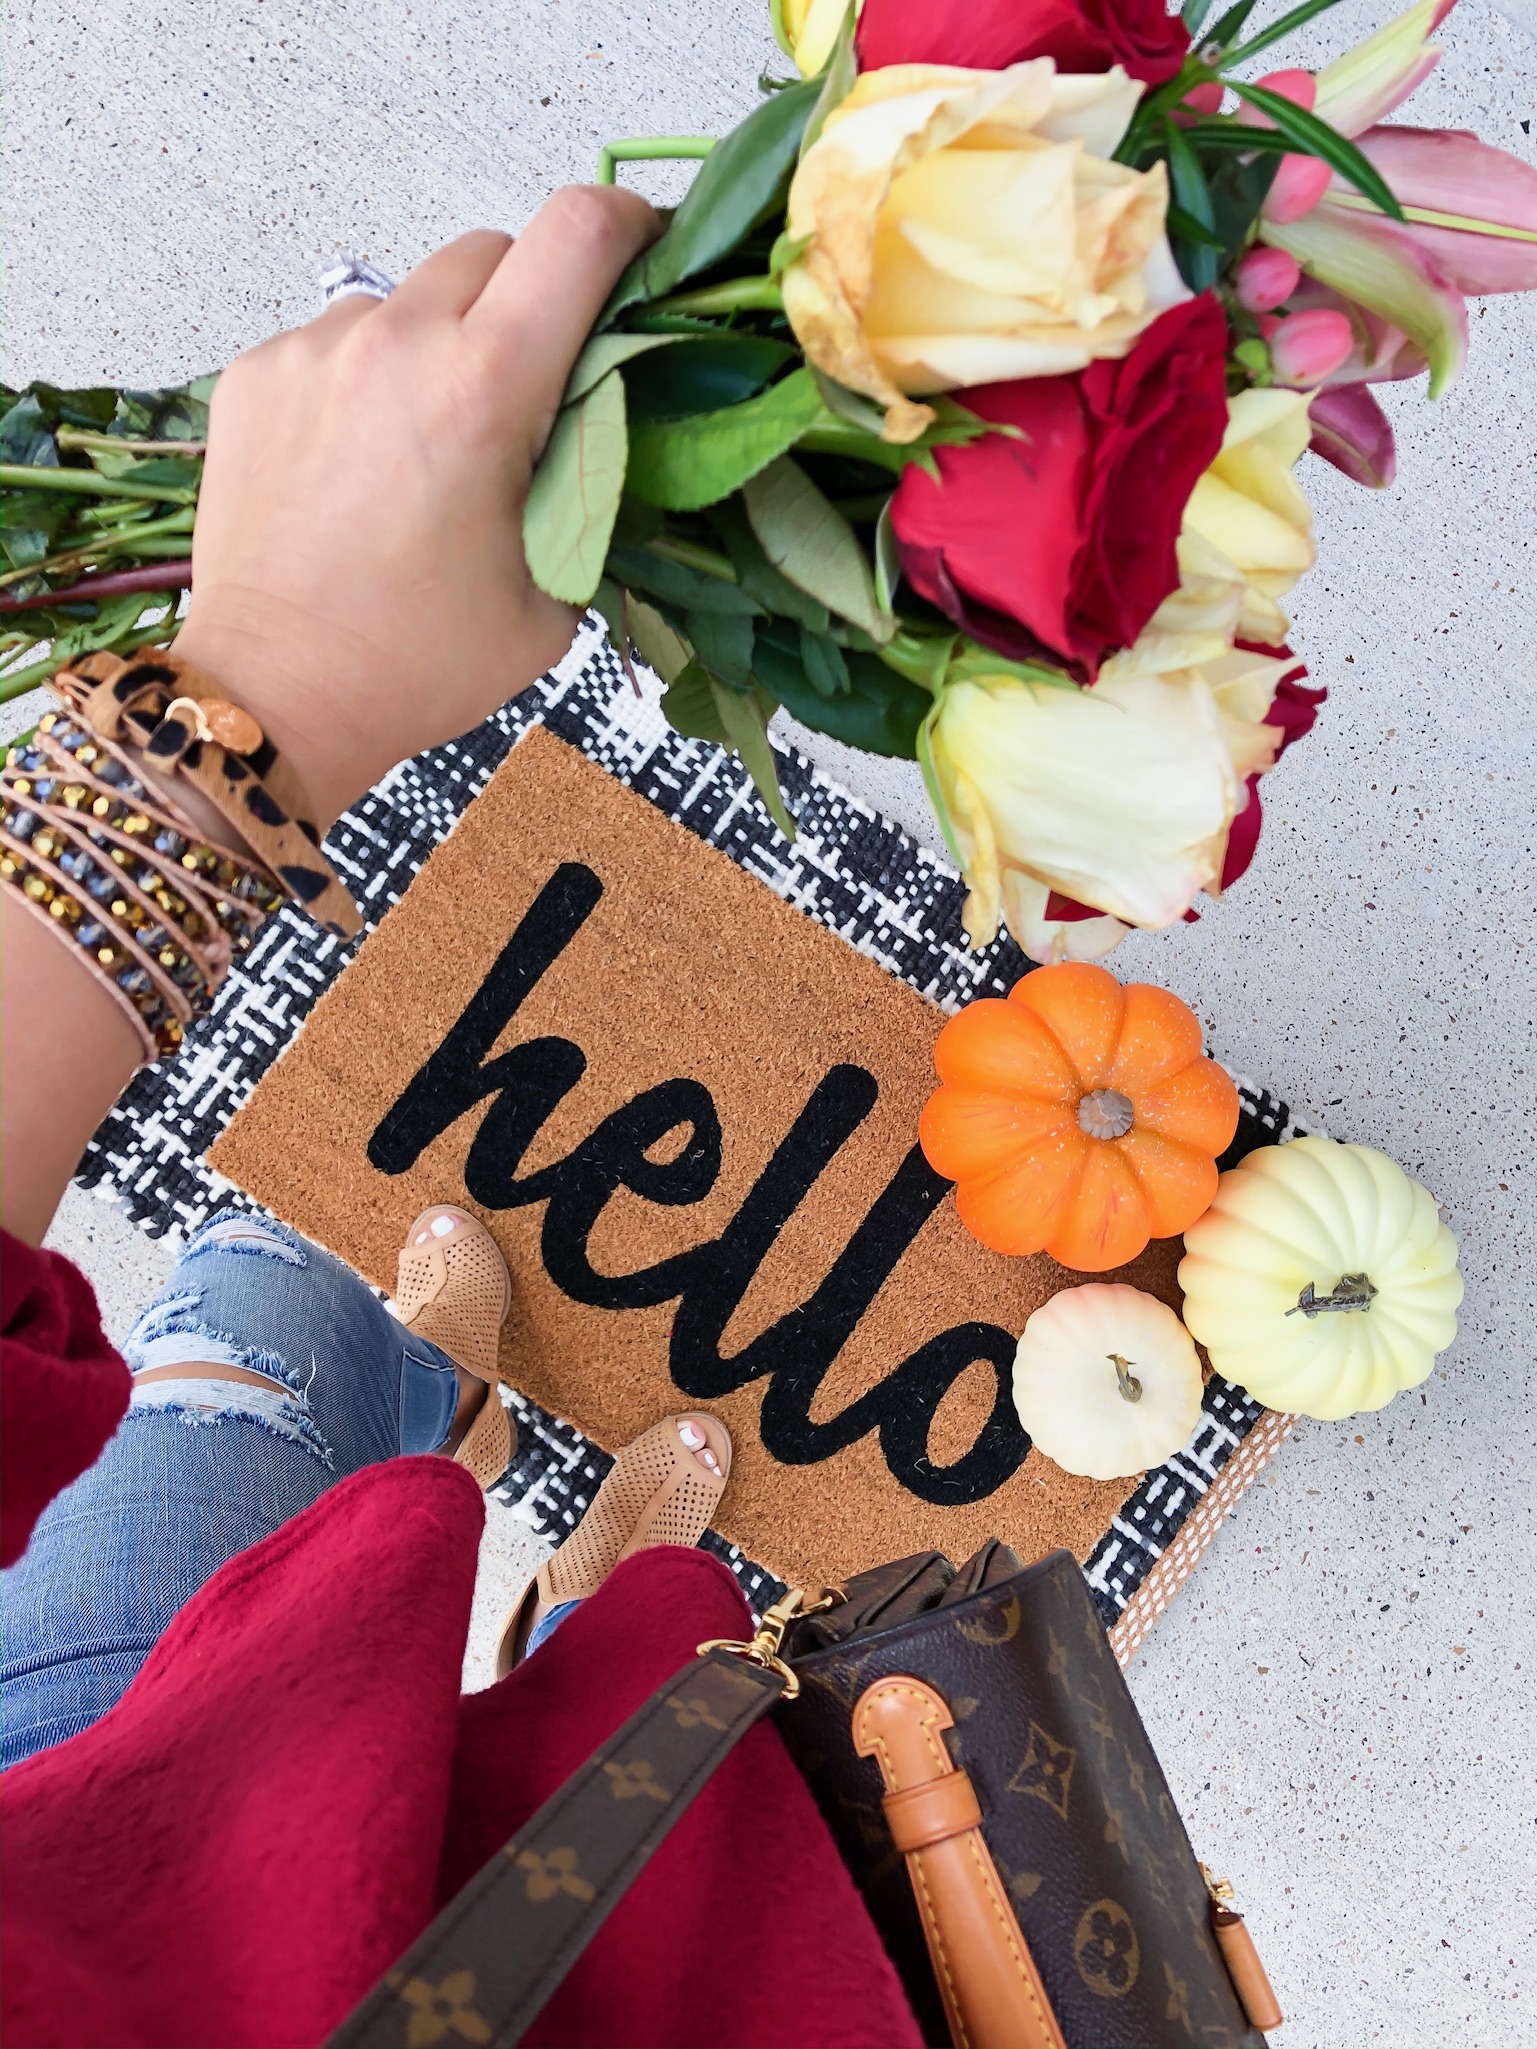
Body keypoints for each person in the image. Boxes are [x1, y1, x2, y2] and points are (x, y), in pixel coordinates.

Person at [0, 192, 923, 2049]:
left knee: (273, 1307)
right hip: (640, 1954)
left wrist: (252, 699)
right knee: (654, 1676)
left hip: (111, 1806)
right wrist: (241, 698)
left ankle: (436, 1403)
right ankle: (581, 1602)